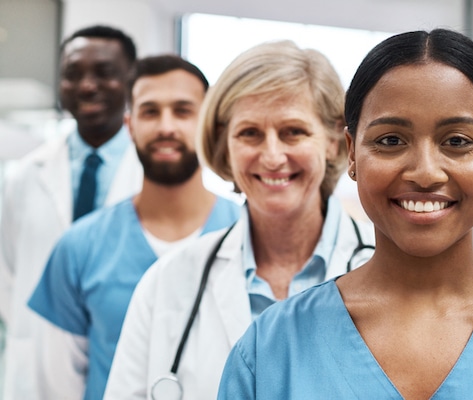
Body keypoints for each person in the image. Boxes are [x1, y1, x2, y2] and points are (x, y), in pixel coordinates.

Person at [217, 28, 473, 400]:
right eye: (390, 141)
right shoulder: (270, 351)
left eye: (457, 142)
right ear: (351, 153)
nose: (426, 172)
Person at [104, 40, 374, 400]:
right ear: (224, 146)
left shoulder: (389, 274)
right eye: (250, 133)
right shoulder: (168, 283)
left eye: (293, 131)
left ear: (333, 141)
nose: (272, 156)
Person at [26, 55, 241, 400]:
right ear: (130, 125)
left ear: (208, 125)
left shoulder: (248, 237)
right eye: (150, 111)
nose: (166, 126)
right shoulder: (79, 246)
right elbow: (55, 386)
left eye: (183, 110)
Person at [0, 25, 143, 399]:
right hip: (36, 368)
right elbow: (8, 273)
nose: (86, 85)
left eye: (104, 73)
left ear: (131, 80)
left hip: (123, 362)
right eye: (73, 73)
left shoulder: (152, 177)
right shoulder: (26, 175)